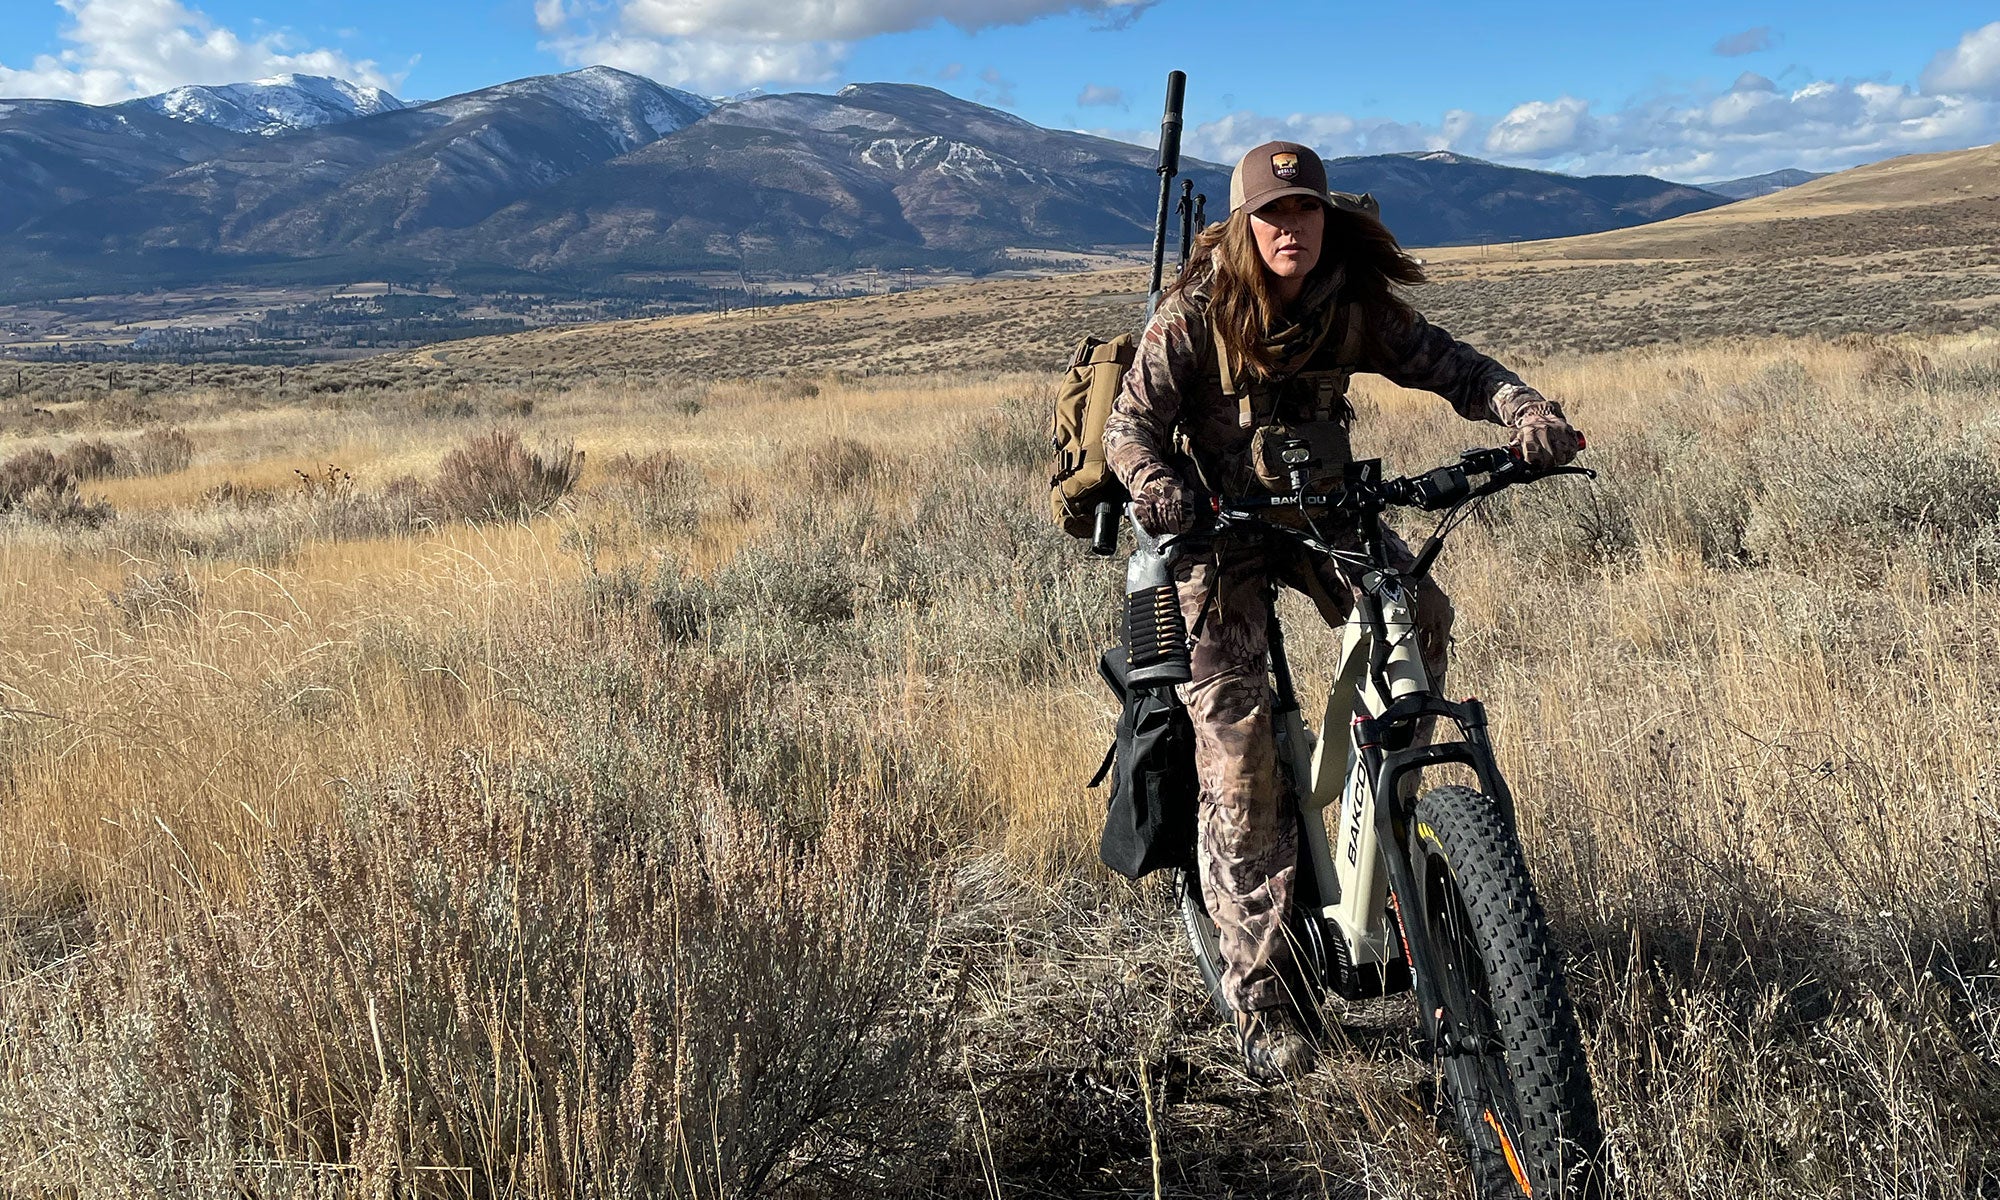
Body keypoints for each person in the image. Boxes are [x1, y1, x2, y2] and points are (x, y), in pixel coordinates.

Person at [1102, 141, 1583, 1083]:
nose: (1292, 231)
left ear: (1328, 216)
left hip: (1327, 518)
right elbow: (1129, 428)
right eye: (1273, 217)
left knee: (1422, 615)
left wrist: (1526, 414)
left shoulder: (1350, 304)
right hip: (1219, 533)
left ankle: (1394, 809)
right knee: (1239, 766)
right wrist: (1161, 490)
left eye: (1306, 212)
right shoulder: (1195, 316)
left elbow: (1453, 365)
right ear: (1244, 226)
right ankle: (1265, 1004)